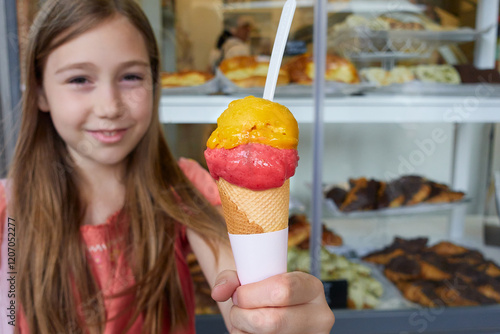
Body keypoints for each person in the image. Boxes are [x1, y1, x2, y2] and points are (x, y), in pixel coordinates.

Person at [0, 0, 335, 333]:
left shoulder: (184, 188)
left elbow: (232, 275)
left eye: (130, 76)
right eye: (78, 80)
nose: (109, 106)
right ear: (40, 91)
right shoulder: (6, 213)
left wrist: (269, 314)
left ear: (154, 83)